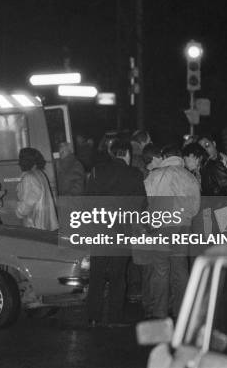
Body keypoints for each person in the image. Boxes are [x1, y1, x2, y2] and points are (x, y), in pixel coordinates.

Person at [85, 139, 146, 327]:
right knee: (118, 276)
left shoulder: (97, 171)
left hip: (99, 230)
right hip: (122, 231)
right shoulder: (134, 174)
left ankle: (93, 316)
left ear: (112, 153)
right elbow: (141, 204)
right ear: (127, 154)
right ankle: (114, 317)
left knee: (97, 274)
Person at [143, 144, 201, 319]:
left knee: (160, 270)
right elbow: (196, 207)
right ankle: (182, 310)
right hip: (183, 227)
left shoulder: (155, 176)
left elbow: (145, 201)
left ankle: (159, 311)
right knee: (180, 268)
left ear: (165, 156)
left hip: (161, 226)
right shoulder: (189, 177)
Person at [182, 143, 227, 233]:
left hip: (226, 217)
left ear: (194, 156)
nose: (184, 163)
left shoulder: (213, 168)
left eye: (185, 159)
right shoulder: (199, 173)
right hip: (213, 219)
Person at [15, 147, 58, 230]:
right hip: (45, 223)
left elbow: (29, 202)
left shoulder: (29, 177)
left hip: (35, 223)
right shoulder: (40, 174)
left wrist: (19, 212)